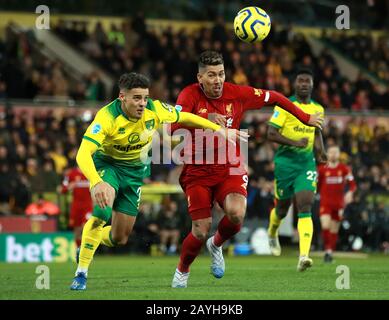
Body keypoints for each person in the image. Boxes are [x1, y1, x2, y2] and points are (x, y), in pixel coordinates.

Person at [70, 72, 247, 290]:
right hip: (108, 167)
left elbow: (185, 117)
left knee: (119, 237)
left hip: (134, 173)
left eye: (145, 98)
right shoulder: (107, 118)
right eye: (136, 98)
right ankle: (81, 273)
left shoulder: (155, 108)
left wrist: (218, 128)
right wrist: (97, 182)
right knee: (102, 213)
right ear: (122, 97)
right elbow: (82, 153)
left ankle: (91, 241)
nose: (142, 103)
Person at [170, 51, 323, 288]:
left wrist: (304, 117)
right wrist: (211, 121)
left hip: (230, 167)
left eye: (221, 74)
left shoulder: (237, 94)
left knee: (237, 214)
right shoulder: (189, 95)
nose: (217, 80)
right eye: (211, 75)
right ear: (200, 78)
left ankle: (217, 244)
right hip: (197, 171)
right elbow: (174, 125)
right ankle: (182, 270)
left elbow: (275, 97)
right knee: (200, 230)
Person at [267, 68, 327, 272]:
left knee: (305, 205)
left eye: (307, 81)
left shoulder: (318, 108)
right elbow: (271, 134)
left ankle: (304, 256)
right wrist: (295, 142)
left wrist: (321, 152)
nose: (303, 84)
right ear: (295, 84)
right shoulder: (285, 105)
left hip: (306, 164)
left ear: (312, 85)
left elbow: (317, 132)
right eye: (300, 80)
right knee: (282, 208)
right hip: (285, 164)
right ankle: (272, 231)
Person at [317, 145, 356, 262]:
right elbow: (316, 185)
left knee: (334, 230)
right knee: (325, 226)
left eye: (335, 152)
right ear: (327, 154)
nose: (333, 154)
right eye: (331, 152)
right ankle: (327, 249)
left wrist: (350, 193)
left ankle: (329, 252)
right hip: (325, 203)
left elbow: (353, 184)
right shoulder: (322, 169)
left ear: (339, 154)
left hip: (338, 204)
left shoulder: (344, 169)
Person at [61, 162, 93, 250]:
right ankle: (79, 250)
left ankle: (87, 251)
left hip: (88, 206)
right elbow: (63, 189)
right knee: (77, 230)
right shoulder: (71, 174)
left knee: (86, 227)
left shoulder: (91, 172)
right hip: (76, 206)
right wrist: (69, 187)